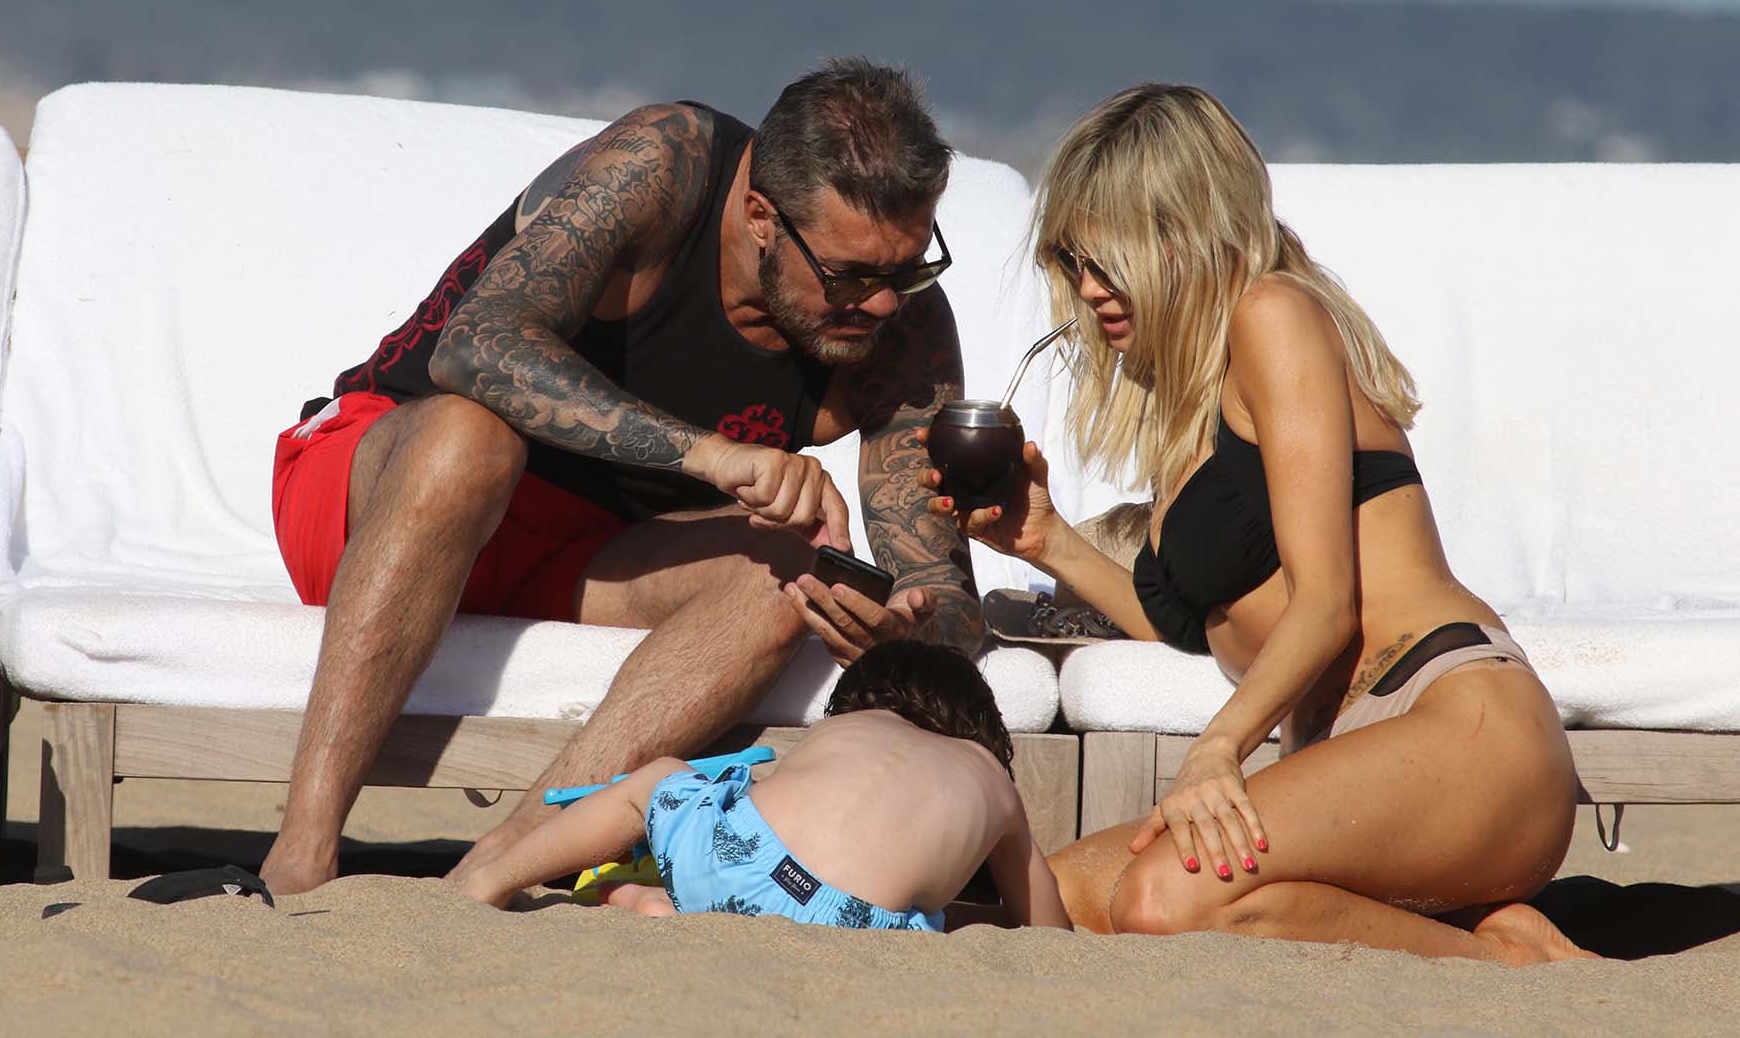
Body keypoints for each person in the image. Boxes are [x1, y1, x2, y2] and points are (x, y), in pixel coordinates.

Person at [261, 59, 984, 896]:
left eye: (907, 271)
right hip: (386, 492)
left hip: (587, 556)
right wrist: (710, 455)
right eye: (851, 276)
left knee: (794, 567)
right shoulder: (665, 165)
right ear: (759, 216)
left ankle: (506, 858)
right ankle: (304, 850)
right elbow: (476, 345)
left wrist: (905, 631)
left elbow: (947, 590)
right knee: (471, 437)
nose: (884, 304)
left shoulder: (902, 332)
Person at [927, 84, 1591, 964]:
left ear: (1187, 233)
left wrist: (1218, 750)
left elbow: (1327, 603)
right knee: (1042, 898)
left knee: (1162, 900)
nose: (1089, 292)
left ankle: (1508, 962)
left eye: (1110, 260)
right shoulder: (1187, 407)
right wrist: (1045, 540)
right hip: (1347, 764)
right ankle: (1452, 932)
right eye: (1074, 265)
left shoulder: (1273, 315)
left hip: (1453, 722)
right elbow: (1188, 627)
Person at [458, 641, 1072, 932]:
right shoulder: (993, 782)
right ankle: (653, 909)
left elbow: (776, 813)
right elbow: (1048, 933)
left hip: (743, 862)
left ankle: (500, 876)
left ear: (864, 694)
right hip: (856, 930)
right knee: (936, 919)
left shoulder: (857, 723)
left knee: (653, 781)